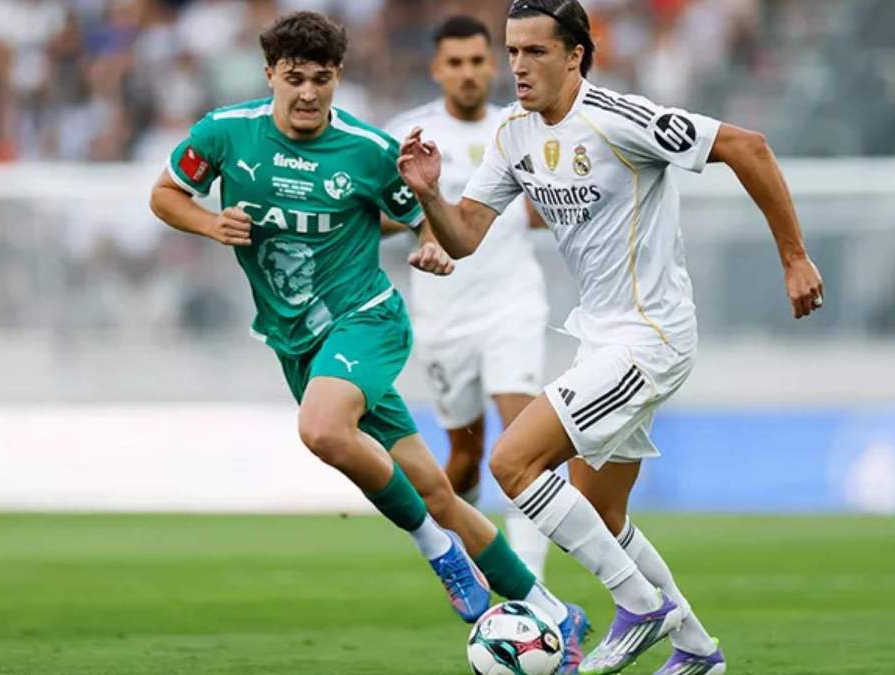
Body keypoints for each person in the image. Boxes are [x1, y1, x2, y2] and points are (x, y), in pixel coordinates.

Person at [147, 11, 589, 671]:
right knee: (436, 487)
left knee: (323, 429)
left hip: (367, 320)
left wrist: (435, 249)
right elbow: (164, 194)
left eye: (320, 80)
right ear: (269, 74)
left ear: (337, 78)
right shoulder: (224, 133)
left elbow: (425, 221)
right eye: (293, 78)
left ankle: (437, 551)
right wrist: (210, 223)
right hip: (295, 341)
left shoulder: (367, 149)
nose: (307, 94)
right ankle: (556, 611)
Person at [396, 1, 825, 673]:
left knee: (512, 463)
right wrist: (429, 196)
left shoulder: (621, 119)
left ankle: (639, 605)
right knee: (602, 511)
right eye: (512, 51)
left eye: (534, 52)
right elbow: (466, 235)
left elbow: (749, 147)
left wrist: (794, 257)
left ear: (575, 55)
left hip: (650, 337)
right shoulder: (514, 133)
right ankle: (697, 650)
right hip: (600, 339)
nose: (517, 66)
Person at [383, 14, 552, 581]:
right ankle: (462, 557)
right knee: (463, 454)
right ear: (437, 70)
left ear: (493, 65)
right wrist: (424, 230)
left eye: (479, 61)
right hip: (443, 316)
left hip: (513, 303)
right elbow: (378, 215)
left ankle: (527, 585)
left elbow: (551, 204)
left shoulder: (520, 126)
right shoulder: (405, 134)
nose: (469, 73)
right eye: (455, 63)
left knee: (521, 437)